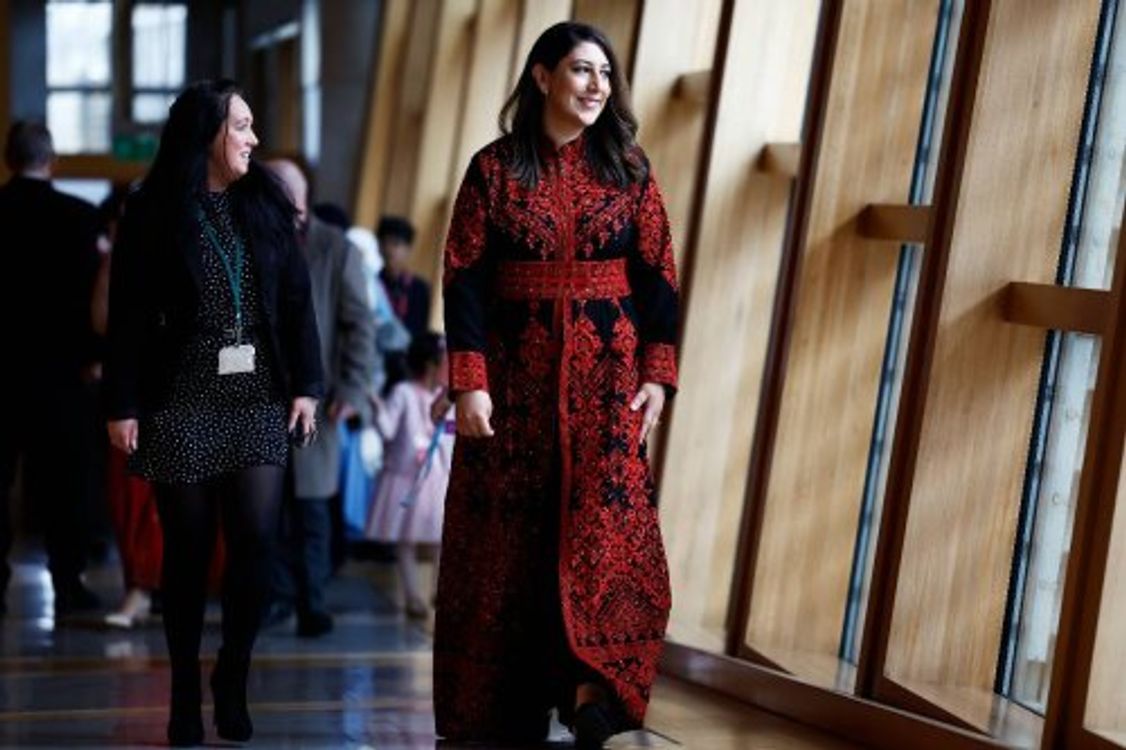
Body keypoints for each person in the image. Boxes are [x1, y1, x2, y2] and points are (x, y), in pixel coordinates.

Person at [434, 22, 680, 749]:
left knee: (605, 539)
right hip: (512, 393)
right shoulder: (494, 171)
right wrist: (469, 382)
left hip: (608, 396)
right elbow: (464, 280)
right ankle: (506, 704)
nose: (597, 86)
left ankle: (593, 693)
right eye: (581, 70)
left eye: (605, 73)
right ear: (542, 78)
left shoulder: (631, 170)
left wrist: (658, 379)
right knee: (511, 546)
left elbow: (660, 281)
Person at [103, 80, 323, 747]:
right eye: (242, 127)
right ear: (206, 133)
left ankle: (232, 674)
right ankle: (182, 693)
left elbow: (295, 303)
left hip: (257, 397)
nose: (253, 139)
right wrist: (123, 401)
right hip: (181, 399)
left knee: (256, 545)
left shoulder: (267, 203)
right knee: (189, 555)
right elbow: (128, 316)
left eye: (253, 126)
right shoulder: (151, 212)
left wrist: (308, 387)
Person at [263, 159, 374, 638]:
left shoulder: (335, 247)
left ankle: (311, 601)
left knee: (310, 507)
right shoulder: (252, 237)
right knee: (268, 508)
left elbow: (360, 325)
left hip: (318, 398)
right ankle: (277, 598)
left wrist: (351, 389)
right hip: (259, 398)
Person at [0, 121, 102, 617]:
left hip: (0, 375)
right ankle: (68, 582)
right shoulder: (81, 218)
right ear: (53, 159)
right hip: (64, 374)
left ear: (7, 158)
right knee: (67, 485)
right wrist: (93, 358)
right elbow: (96, 302)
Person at [365, 332, 453, 619]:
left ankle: (439, 589)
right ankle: (413, 596)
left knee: (441, 538)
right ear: (431, 364)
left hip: (436, 477)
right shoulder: (403, 392)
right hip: (406, 477)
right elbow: (389, 429)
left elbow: (451, 435)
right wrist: (377, 408)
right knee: (406, 540)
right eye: (444, 362)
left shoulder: (446, 398)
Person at [377, 215, 431, 339]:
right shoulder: (373, 283)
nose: (389, 249)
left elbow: (419, 332)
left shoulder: (419, 289)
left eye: (396, 244)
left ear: (408, 250)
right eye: (384, 242)